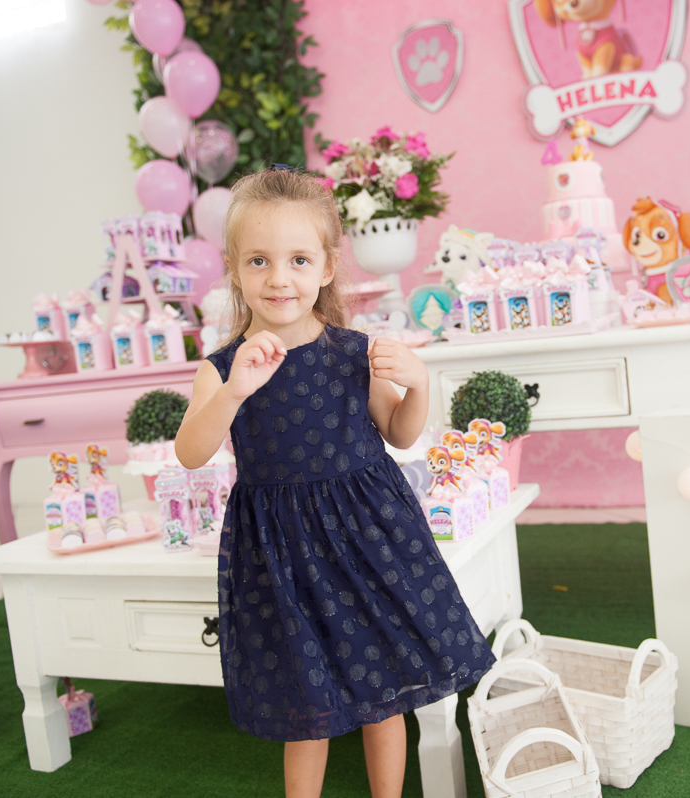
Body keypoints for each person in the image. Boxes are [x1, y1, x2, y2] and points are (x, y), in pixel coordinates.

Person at [176, 168, 496, 798]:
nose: (279, 278)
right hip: (282, 556)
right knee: (307, 705)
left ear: (326, 267)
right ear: (235, 271)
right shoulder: (221, 369)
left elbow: (400, 435)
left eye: (298, 259)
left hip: (368, 543)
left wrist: (421, 383)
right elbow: (192, 451)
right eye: (260, 261)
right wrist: (237, 388)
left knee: (384, 696)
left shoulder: (355, 352)